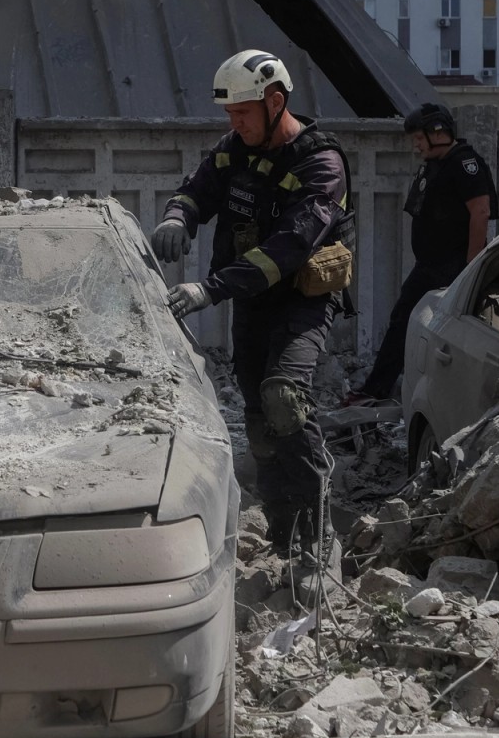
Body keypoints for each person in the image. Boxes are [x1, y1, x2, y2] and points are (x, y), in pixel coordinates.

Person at [150, 49, 357, 599]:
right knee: (259, 417)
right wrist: (178, 216)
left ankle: (321, 540)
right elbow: (197, 189)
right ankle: (284, 533)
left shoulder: (321, 164)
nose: (234, 123)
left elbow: (289, 248)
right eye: (230, 114)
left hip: (300, 301)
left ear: (275, 101)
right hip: (252, 300)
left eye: (242, 112)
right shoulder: (235, 149)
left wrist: (210, 288)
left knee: (285, 398)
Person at [346, 102, 497, 405]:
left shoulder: (464, 163)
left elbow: (480, 212)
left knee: (427, 327)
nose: (416, 145)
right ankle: (381, 390)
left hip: (452, 267)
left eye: (419, 138)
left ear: (437, 133)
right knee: (407, 322)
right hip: (430, 265)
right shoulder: (437, 163)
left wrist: (471, 269)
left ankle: (381, 391)